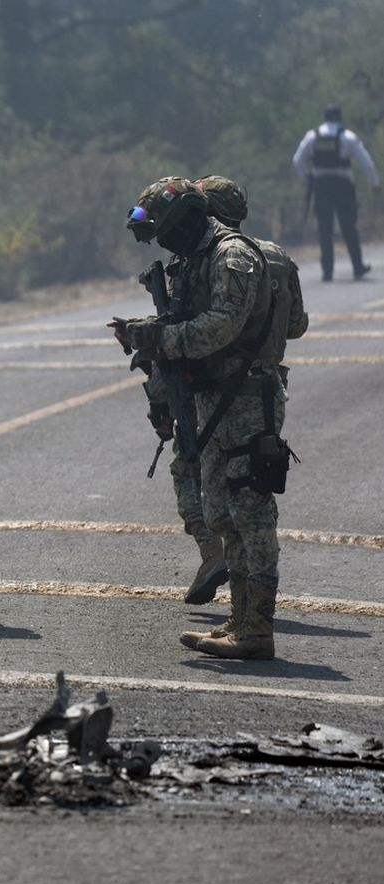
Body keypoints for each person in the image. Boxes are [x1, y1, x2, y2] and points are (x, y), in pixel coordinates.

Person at [118, 176, 294, 659]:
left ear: (192, 218)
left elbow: (222, 325)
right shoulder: (197, 259)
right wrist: (146, 331)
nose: (165, 243)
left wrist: (160, 340)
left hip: (244, 400)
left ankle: (256, 627)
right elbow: (185, 320)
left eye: (168, 231)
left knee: (250, 514)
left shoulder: (231, 255)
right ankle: (239, 620)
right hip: (213, 399)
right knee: (222, 514)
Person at [292, 104, 379, 282]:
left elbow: (297, 160)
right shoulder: (347, 137)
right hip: (342, 187)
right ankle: (358, 266)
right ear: (339, 118)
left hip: (321, 187)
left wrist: (308, 178)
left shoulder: (312, 136)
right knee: (349, 227)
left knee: (325, 229)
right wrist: (374, 183)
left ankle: (328, 271)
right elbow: (366, 162)